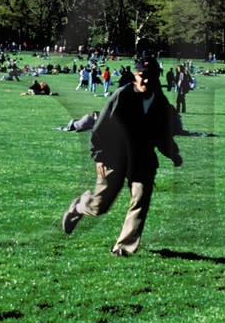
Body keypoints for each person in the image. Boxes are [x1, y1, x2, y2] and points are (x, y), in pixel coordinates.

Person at [61, 55, 183, 257]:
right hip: (114, 156)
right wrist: (98, 156)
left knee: (140, 200)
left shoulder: (160, 102)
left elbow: (162, 134)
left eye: (150, 76)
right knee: (100, 205)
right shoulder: (122, 96)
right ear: (135, 75)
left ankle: (123, 247)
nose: (145, 80)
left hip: (142, 160)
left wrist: (173, 154)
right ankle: (78, 207)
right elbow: (100, 127)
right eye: (142, 76)